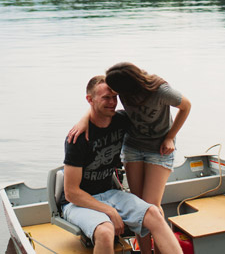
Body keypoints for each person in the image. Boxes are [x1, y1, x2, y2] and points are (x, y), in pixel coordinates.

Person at [69, 62, 191, 254]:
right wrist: (84, 118)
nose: (113, 101)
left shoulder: (153, 95)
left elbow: (186, 105)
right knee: (131, 210)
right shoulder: (80, 137)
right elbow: (71, 192)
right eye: (109, 97)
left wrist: (169, 137)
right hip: (133, 149)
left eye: (115, 97)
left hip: (159, 150)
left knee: (151, 208)